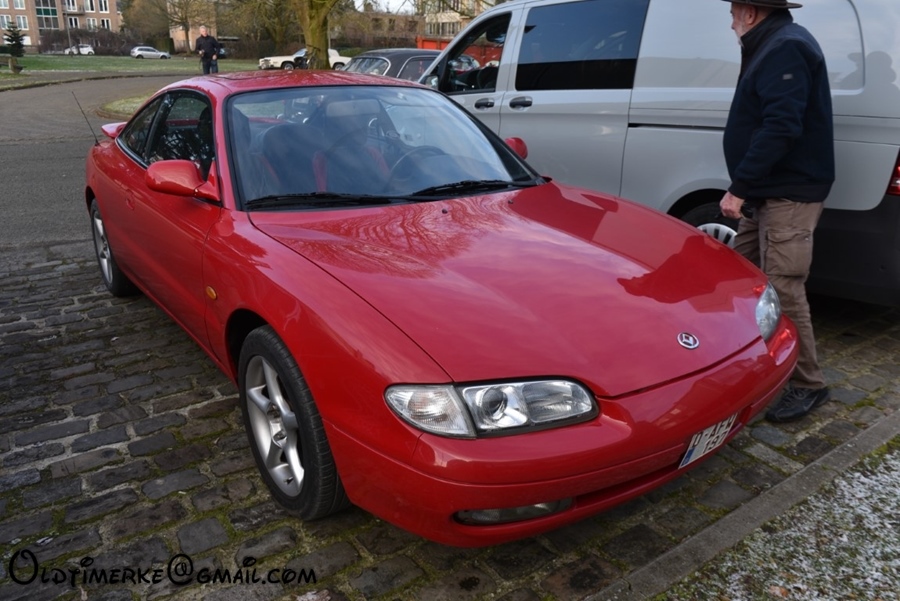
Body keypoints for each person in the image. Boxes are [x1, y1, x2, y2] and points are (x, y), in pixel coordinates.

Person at [718, 0, 835, 422]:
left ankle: (808, 385)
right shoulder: (773, 43)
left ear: (750, 13)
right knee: (740, 275)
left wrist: (739, 189)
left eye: (733, 13)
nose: (730, 22)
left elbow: (781, 126)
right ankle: (745, 360)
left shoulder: (785, 46)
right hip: (768, 190)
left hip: (788, 193)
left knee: (783, 286)